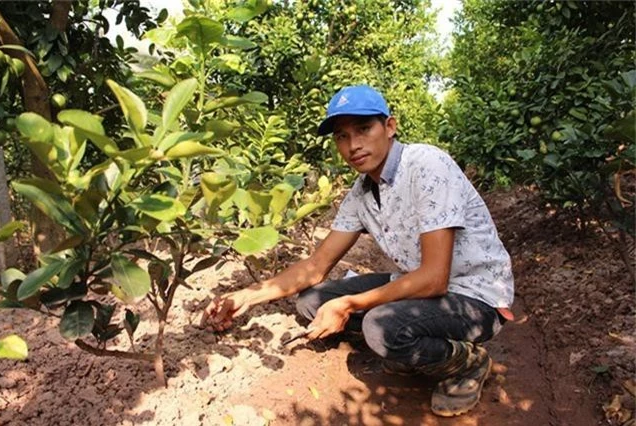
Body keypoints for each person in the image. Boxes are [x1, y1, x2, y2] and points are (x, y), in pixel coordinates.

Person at [201, 85, 514, 417]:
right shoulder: (362, 191)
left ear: (389, 127)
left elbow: (436, 278)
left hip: (475, 297)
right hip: (420, 289)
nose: (353, 145)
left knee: (381, 327)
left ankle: (466, 363)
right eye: (342, 136)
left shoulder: (426, 165)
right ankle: (414, 347)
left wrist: (349, 303)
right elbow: (317, 264)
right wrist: (245, 297)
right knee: (312, 302)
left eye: (364, 129)